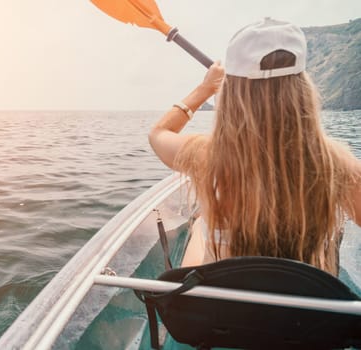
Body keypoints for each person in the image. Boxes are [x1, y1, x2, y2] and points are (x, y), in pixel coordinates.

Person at [148, 17, 361, 276]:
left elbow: (159, 133)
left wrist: (205, 88)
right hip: (304, 313)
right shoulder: (336, 165)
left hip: (222, 311)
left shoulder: (206, 156)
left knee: (201, 223)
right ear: (303, 90)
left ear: (232, 93)